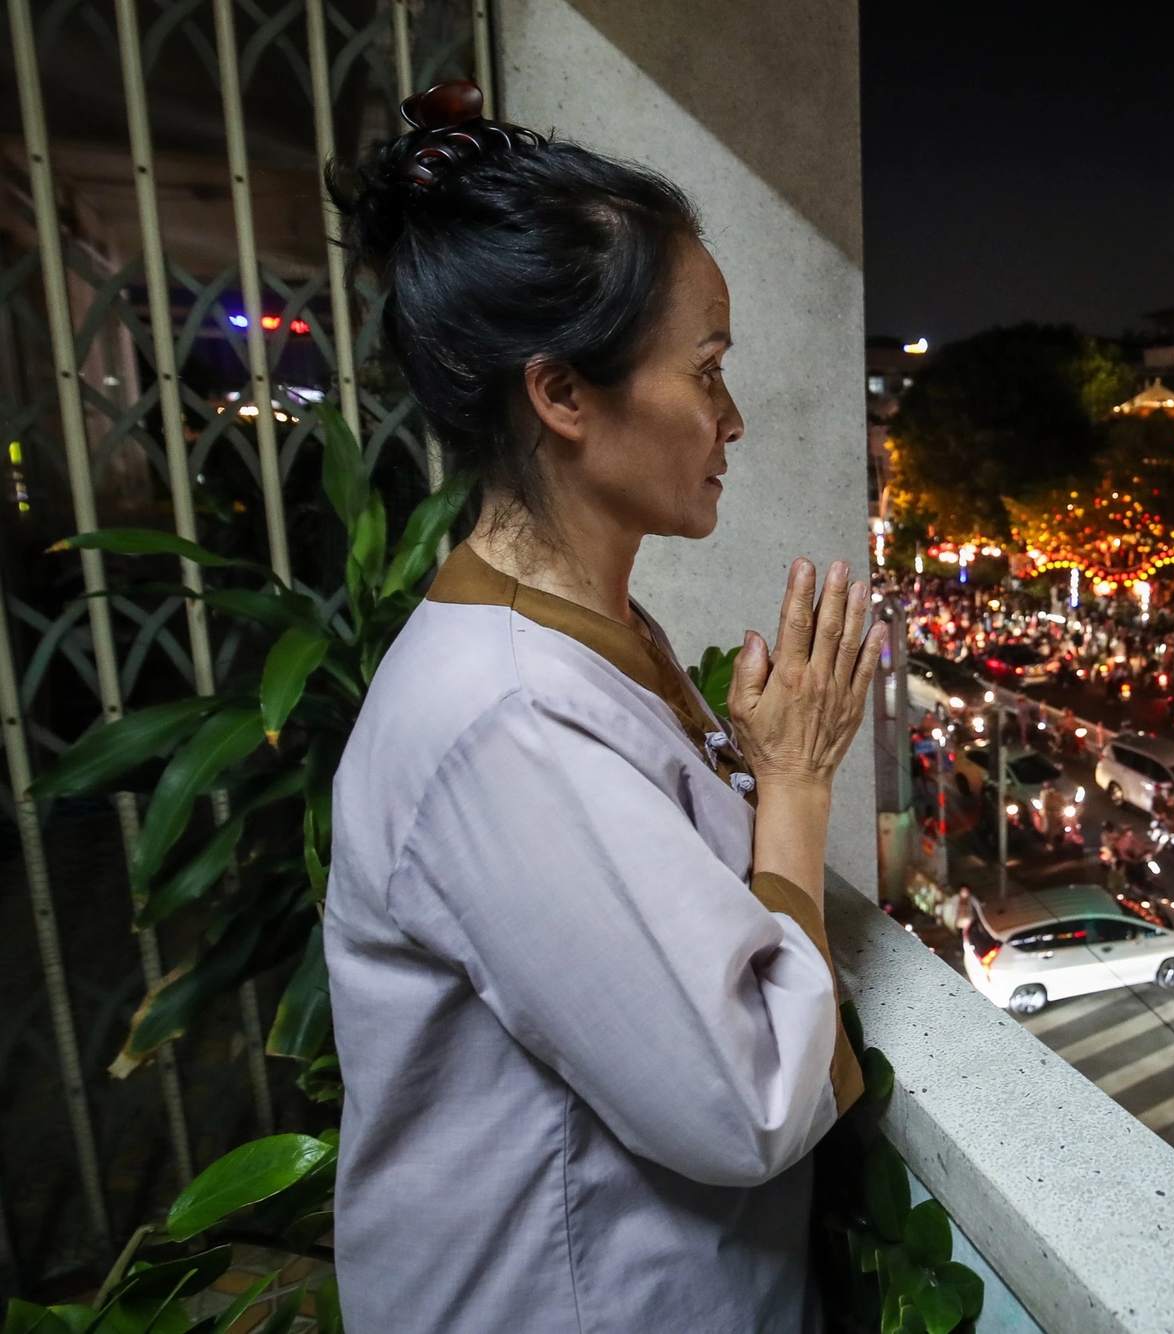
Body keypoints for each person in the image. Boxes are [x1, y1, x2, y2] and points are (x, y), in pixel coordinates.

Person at [323, 83, 882, 1332]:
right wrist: (792, 783)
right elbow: (749, 1095)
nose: (732, 419)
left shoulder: (592, 641)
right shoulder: (504, 718)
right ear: (563, 393)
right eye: (707, 372)